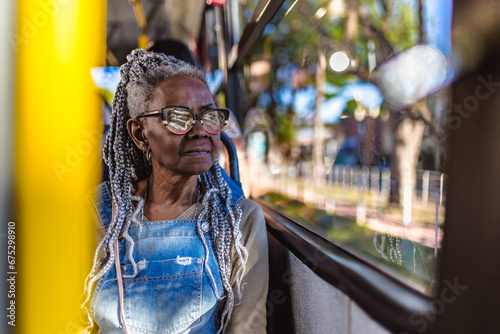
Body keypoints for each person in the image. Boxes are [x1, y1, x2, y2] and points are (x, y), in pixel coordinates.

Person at [83, 49, 268, 333]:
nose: (200, 131)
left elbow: (248, 327)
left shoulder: (239, 221)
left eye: (209, 116)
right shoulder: (98, 214)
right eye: (179, 118)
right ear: (139, 133)